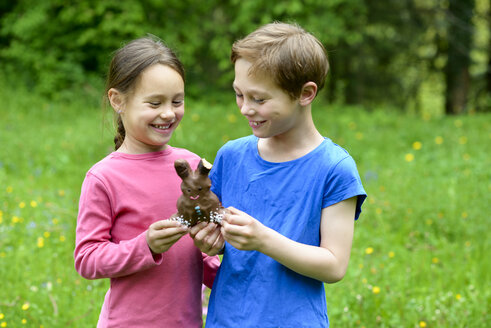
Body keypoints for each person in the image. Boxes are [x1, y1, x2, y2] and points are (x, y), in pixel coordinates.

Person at [190, 22, 367, 327]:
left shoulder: (334, 169)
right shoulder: (231, 156)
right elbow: (209, 223)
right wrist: (208, 238)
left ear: (305, 93)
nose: (245, 108)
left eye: (259, 99)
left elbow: (334, 265)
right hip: (227, 318)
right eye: (238, 94)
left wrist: (263, 240)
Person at [74, 36, 220, 328]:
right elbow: (87, 259)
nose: (168, 113)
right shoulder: (104, 177)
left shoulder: (193, 166)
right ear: (118, 101)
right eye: (155, 103)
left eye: (177, 101)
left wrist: (215, 250)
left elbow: (199, 254)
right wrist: (146, 246)